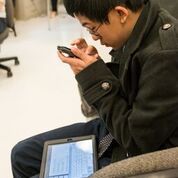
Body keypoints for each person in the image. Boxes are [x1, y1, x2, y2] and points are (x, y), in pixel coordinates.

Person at [11, 0, 178, 177]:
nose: (94, 38)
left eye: (93, 28)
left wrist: (95, 80)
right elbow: (128, 91)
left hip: (134, 151)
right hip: (116, 127)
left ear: (121, 13)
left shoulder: (164, 56)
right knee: (22, 154)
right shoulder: (139, 28)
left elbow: (135, 142)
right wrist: (97, 69)